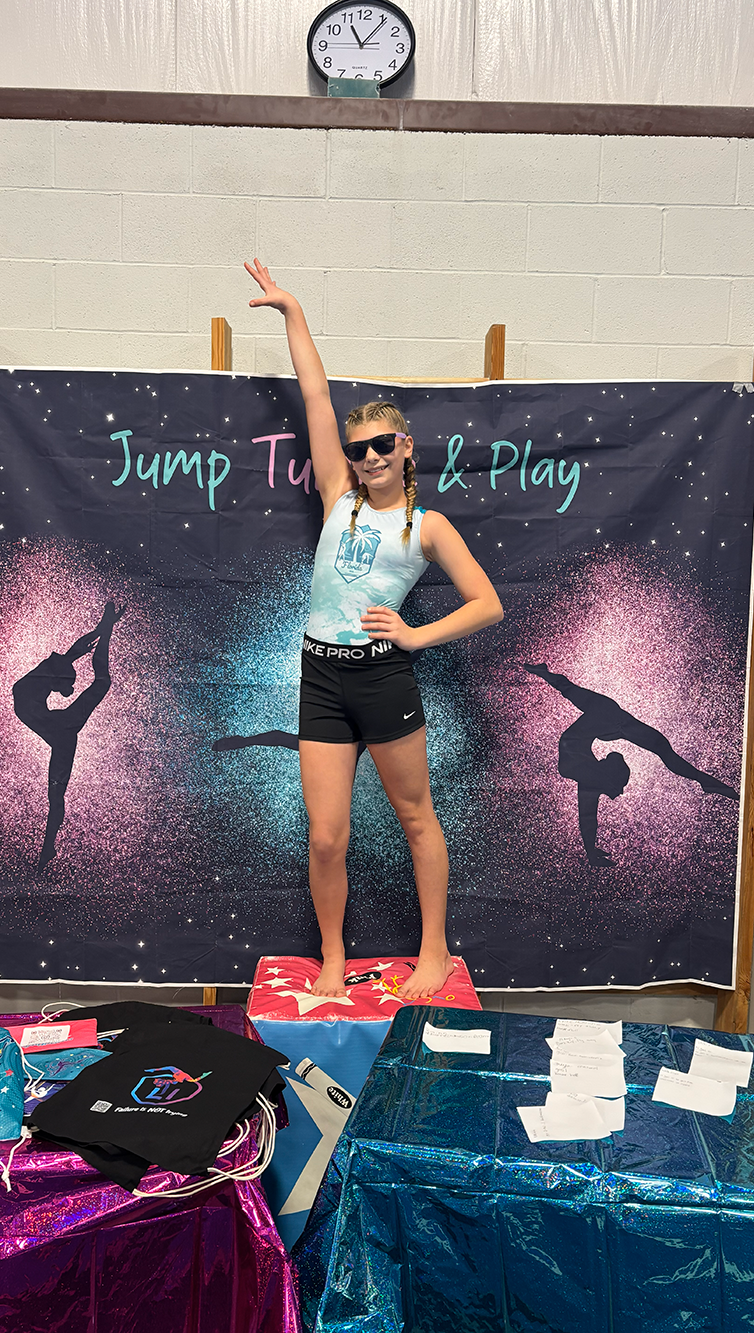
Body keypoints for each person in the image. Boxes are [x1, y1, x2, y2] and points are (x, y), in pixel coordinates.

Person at [245, 258, 503, 999]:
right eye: (358, 450)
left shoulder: (427, 526)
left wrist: (416, 637)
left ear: (406, 447)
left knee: (417, 818)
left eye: (381, 445)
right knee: (326, 835)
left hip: (382, 678)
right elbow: (317, 396)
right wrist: (293, 311)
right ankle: (331, 954)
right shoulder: (336, 496)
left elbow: (487, 601)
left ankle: (434, 951)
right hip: (322, 677)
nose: (367, 457)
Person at [523, 663, 739, 867]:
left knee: (656, 746)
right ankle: (707, 782)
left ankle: (706, 782)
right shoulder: (600, 730)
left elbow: (566, 687)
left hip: (591, 746)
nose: (619, 794)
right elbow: (587, 811)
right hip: (593, 745)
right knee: (656, 746)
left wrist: (545, 674)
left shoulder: (598, 730)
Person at [12, 601, 123, 870]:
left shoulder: (48, 672)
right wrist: (105, 628)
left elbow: (77, 648)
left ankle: (47, 846)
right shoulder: (41, 677)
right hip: (60, 729)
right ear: (58, 680)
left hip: (59, 729)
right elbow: (76, 650)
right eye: (69, 685)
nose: (70, 689)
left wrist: (103, 626)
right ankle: (48, 846)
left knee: (56, 797)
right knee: (102, 682)